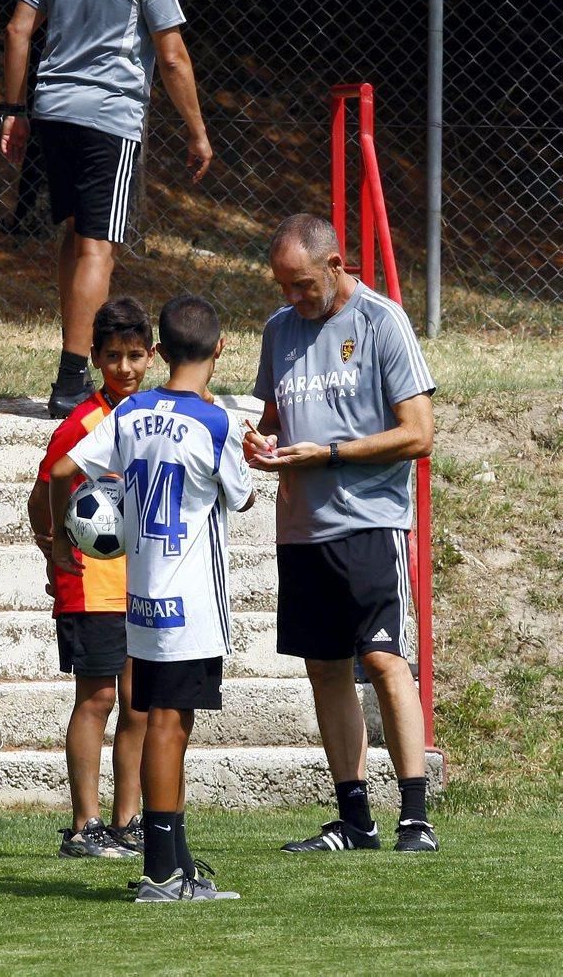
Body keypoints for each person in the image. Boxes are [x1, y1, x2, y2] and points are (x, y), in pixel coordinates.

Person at [50, 295, 255, 902]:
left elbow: (65, 471)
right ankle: (163, 873)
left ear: (159, 352)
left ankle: (176, 862)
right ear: (221, 349)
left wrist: (63, 539)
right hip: (190, 603)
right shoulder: (214, 423)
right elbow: (239, 498)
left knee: (165, 722)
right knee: (169, 726)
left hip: (139, 600)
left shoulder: (133, 409)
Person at [245, 213, 439, 854]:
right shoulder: (279, 329)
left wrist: (327, 454)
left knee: (384, 661)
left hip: (370, 521)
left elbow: (418, 433)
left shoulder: (384, 322)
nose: (291, 298)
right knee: (324, 670)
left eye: (300, 284)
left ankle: (416, 817)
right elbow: (275, 416)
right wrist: (263, 444)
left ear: (335, 265)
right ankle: (355, 820)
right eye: (281, 285)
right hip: (301, 528)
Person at [1, 0, 213, 419]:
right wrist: (197, 131)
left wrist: (12, 107)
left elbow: (18, 29)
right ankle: (74, 379)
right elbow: (172, 56)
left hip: (52, 110)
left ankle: (73, 365)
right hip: (108, 118)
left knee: (76, 235)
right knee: (99, 247)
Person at [27, 297, 154, 858]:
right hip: (92, 586)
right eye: (111, 357)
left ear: (151, 356)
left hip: (144, 583)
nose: (123, 368)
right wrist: (54, 548)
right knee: (97, 698)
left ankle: (129, 821)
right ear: (96, 359)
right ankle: (84, 824)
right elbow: (43, 492)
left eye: (133, 355)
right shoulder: (82, 425)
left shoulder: (155, 418)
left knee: (137, 704)